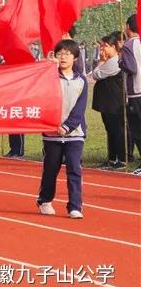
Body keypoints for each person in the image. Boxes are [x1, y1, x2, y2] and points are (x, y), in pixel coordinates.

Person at [37, 39, 88, 218]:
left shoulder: (81, 80)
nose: (63, 56)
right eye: (60, 53)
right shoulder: (49, 78)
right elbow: (43, 99)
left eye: (67, 53)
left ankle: (75, 206)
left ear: (75, 57)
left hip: (75, 134)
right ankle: (45, 200)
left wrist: (67, 126)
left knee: (74, 168)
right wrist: (47, 67)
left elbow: (80, 108)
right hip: (52, 134)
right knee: (51, 169)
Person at [92, 32, 125, 169]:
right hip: (108, 103)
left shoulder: (114, 62)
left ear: (114, 47)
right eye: (101, 46)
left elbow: (96, 74)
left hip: (113, 103)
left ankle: (120, 159)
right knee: (111, 130)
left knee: (116, 130)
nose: (102, 49)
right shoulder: (110, 61)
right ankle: (112, 158)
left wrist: (101, 62)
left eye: (105, 46)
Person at [119, 14, 141, 171]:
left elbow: (131, 68)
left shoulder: (128, 45)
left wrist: (121, 60)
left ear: (128, 26)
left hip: (135, 92)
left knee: (136, 130)